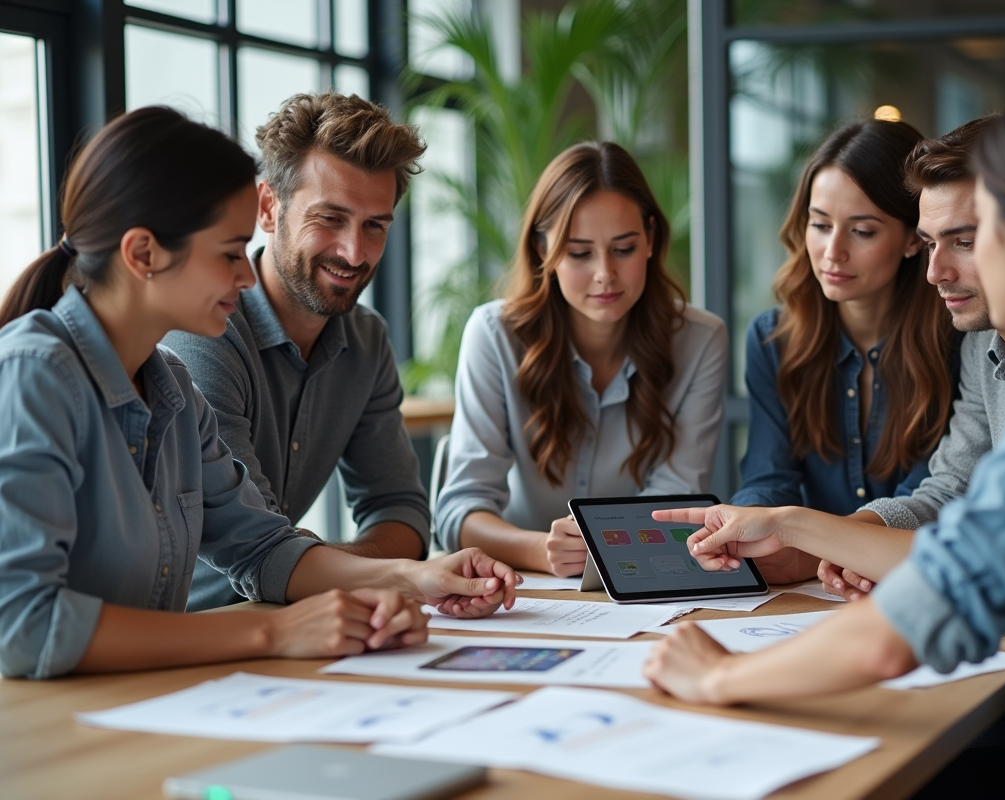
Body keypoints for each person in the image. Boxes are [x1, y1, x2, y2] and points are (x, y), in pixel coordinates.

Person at [645, 72, 1005, 800]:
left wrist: (718, 676)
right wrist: (790, 523)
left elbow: (902, 630)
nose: (937, 268)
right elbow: (960, 538)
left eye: (973, 233)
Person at [0, 107, 517, 681]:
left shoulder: (171, 388)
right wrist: (275, 632)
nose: (245, 276)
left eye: (376, 225)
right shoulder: (33, 373)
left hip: (148, 699)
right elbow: (25, 624)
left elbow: (262, 548)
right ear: (142, 254)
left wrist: (417, 578)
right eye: (228, 254)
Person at [746, 118, 1005, 598]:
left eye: (964, 241)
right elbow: (952, 487)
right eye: (934, 242)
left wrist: (817, 536)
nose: (936, 273)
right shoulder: (983, 338)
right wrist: (855, 538)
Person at [164, 92, 434, 610]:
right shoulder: (203, 331)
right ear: (268, 208)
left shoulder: (366, 339)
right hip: (191, 636)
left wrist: (325, 569)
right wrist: (352, 572)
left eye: (374, 225)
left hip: (289, 625)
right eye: (330, 218)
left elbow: (401, 512)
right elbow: (258, 545)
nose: (354, 252)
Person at [434, 141, 728, 577]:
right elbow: (460, 512)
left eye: (624, 249)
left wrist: (602, 552)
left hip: (642, 577)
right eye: (578, 253)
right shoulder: (494, 335)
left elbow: (676, 501)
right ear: (542, 250)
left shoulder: (702, 341)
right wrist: (542, 551)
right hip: (519, 585)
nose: (604, 274)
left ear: (650, 238)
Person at [731, 119, 954, 583]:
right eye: (819, 224)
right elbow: (769, 479)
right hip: (811, 584)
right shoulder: (773, 340)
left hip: (915, 577)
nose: (832, 252)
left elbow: (935, 493)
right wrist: (745, 530)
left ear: (914, 238)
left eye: (863, 231)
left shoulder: (955, 339)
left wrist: (822, 544)